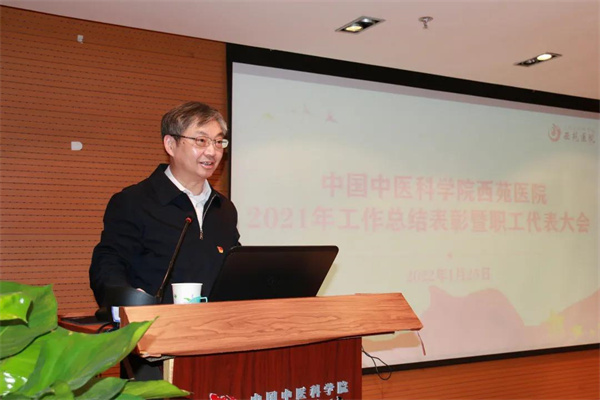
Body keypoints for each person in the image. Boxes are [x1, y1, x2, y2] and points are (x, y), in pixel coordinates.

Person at [90, 101, 240, 307]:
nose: (212, 152)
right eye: (201, 141)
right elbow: (108, 266)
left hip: (216, 323)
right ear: (170, 145)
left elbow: (234, 272)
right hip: (156, 323)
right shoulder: (133, 202)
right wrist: (127, 297)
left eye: (218, 142)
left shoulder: (224, 209)